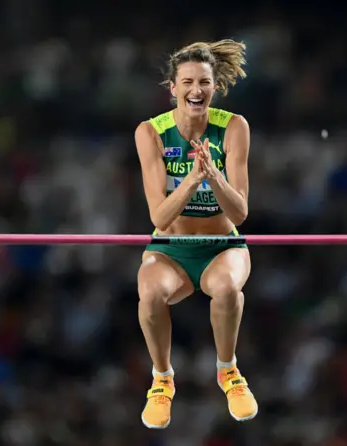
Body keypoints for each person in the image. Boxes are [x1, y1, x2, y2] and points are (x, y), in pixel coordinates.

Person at [134, 39, 257, 429]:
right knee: (150, 291)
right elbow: (159, 213)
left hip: (222, 245)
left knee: (225, 288)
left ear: (214, 87)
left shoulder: (234, 127)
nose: (196, 90)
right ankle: (162, 380)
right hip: (172, 247)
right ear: (173, 88)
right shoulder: (150, 132)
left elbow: (240, 211)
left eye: (203, 82)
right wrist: (191, 179)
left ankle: (228, 372)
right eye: (187, 81)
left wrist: (214, 175)